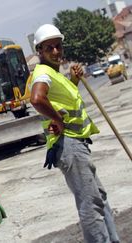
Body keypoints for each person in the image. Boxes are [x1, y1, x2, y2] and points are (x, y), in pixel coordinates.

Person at [30, 24, 120, 243]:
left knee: (100, 198)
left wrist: (75, 81)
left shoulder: (54, 73)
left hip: (77, 144)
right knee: (90, 204)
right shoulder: (42, 72)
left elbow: (62, 100)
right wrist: (58, 120)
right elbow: (37, 99)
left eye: (58, 46)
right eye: (48, 47)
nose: (55, 51)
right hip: (68, 145)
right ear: (39, 51)